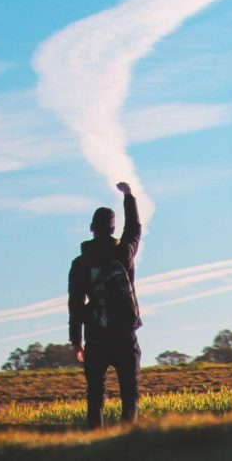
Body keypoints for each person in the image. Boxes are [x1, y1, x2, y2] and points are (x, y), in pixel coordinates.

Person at [68, 181, 143, 429]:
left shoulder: (80, 264)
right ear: (113, 229)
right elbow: (134, 229)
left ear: (91, 228)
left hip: (96, 334)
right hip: (124, 334)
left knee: (95, 396)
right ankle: (126, 442)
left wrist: (76, 341)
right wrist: (128, 196)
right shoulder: (124, 253)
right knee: (129, 393)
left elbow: (76, 304)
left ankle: (95, 444)